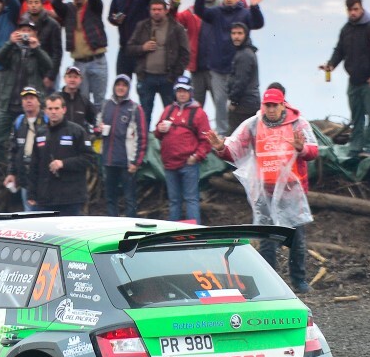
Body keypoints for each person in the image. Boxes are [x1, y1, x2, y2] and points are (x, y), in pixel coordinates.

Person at [207, 86, 317, 292]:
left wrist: (301, 148)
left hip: (291, 190)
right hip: (264, 191)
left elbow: (313, 150)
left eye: (274, 105)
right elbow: (235, 150)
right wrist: (220, 147)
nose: (271, 109)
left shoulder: (298, 123)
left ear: (283, 104)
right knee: (266, 238)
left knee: (297, 238)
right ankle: (271, 284)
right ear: (262, 105)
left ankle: (299, 281)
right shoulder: (253, 125)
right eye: (267, 105)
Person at [193, 0, 266, 134]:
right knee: (220, 101)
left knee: (237, 101)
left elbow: (258, 23)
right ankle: (222, 133)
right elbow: (199, 11)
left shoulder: (244, 13)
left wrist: (254, 7)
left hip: (238, 66)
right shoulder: (216, 12)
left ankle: (239, 132)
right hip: (218, 66)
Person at [320, 0, 370, 157]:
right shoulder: (346, 29)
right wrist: (331, 65)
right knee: (357, 116)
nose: (353, 13)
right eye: (350, 10)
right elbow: (339, 50)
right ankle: (356, 147)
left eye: (356, 9)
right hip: (353, 80)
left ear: (361, 8)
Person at [0, 22, 53, 166]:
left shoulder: (37, 52)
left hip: (31, 108)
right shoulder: (12, 50)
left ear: (35, 33)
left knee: (36, 140)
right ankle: (4, 168)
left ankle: (34, 168)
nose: (25, 33)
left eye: (29, 30)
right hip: (9, 104)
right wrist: (9, 43)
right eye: (22, 30)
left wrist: (37, 48)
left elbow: (49, 65)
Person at [125, 0, 191, 125]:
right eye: (154, 9)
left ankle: (171, 144)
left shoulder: (177, 28)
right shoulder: (142, 26)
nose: (156, 12)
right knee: (144, 116)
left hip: (168, 78)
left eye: (159, 9)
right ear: (150, 11)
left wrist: (175, 75)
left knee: (171, 116)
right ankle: (144, 144)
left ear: (166, 10)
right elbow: (129, 48)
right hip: (146, 77)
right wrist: (142, 48)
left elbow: (185, 54)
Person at [155, 76, 212, 223]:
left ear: (190, 92)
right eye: (179, 90)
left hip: (189, 164)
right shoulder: (168, 110)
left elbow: (206, 140)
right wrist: (160, 129)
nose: (182, 94)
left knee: (191, 199)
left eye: (185, 91)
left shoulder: (199, 113)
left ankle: (194, 233)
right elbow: (157, 134)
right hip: (169, 164)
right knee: (174, 201)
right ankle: (174, 234)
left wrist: (196, 156)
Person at [26, 94, 93, 216]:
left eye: (56, 108)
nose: (53, 112)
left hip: (71, 199)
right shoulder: (41, 133)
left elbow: (89, 159)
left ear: (64, 109)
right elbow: (34, 165)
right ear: (45, 111)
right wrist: (31, 193)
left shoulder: (77, 131)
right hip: (45, 199)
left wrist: (64, 163)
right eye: (50, 109)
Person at [52, 0, 109, 112]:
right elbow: (55, 3)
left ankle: (98, 130)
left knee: (99, 100)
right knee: (82, 100)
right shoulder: (68, 10)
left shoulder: (94, 6)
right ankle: (85, 130)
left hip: (98, 61)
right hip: (79, 63)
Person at [99, 75, 147, 217]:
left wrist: (136, 162)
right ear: (114, 86)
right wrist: (98, 129)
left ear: (128, 88)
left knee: (130, 199)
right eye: (118, 84)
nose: (120, 88)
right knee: (110, 198)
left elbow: (143, 137)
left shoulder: (135, 108)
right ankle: (113, 228)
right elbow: (97, 126)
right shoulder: (106, 105)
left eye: (124, 85)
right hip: (109, 160)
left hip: (127, 163)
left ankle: (130, 229)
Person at [108, 0, 158, 79]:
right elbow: (110, 16)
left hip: (143, 49)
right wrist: (115, 20)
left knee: (144, 89)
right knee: (121, 85)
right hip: (125, 49)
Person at [4, 88, 46, 210]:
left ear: (39, 101)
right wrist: (11, 172)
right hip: (25, 179)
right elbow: (13, 149)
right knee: (29, 215)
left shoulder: (46, 120)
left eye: (32, 98)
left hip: (43, 179)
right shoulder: (19, 122)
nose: (28, 101)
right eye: (25, 99)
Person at [226, 22, 260, 133]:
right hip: (249, 103)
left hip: (244, 105)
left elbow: (241, 81)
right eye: (233, 33)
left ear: (246, 35)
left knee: (236, 139)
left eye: (240, 33)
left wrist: (234, 102)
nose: (236, 36)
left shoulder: (245, 55)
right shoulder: (244, 52)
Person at [59, 65, 97, 130]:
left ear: (80, 80)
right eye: (70, 76)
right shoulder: (57, 99)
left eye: (75, 77)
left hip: (79, 138)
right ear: (64, 79)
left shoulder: (84, 101)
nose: (72, 80)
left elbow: (96, 119)